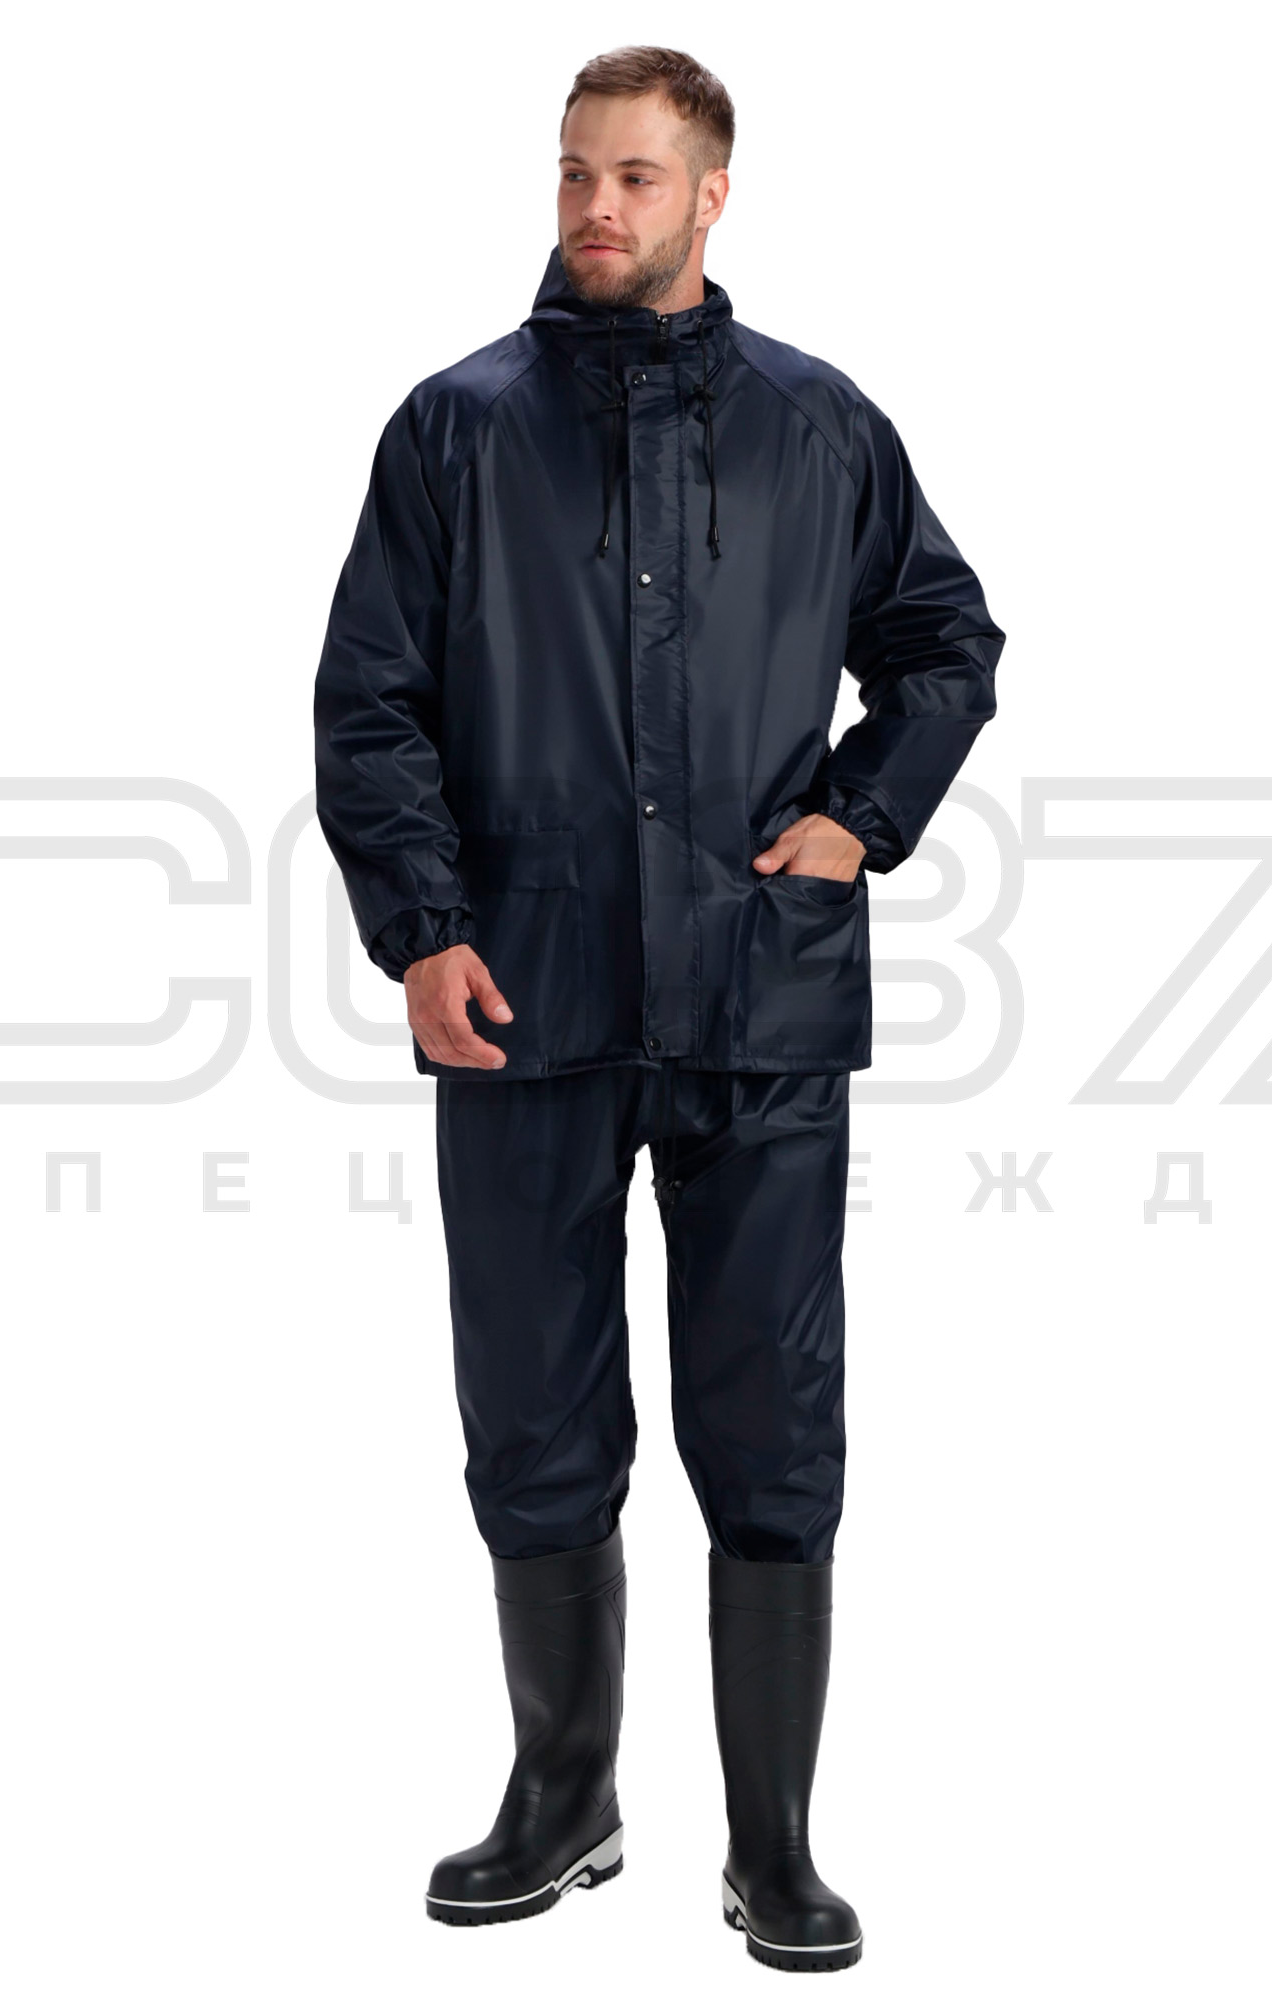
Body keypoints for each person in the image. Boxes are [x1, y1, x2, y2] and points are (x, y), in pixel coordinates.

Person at [313, 44, 1004, 1974]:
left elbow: (945, 642)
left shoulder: (819, 428)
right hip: (519, 994)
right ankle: (565, 1793)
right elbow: (372, 699)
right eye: (572, 172)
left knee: (773, 1421)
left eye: (633, 176)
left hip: (757, 996)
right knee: (533, 1412)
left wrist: (859, 818)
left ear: (712, 195)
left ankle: (773, 1844)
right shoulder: (456, 429)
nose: (594, 207)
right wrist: (421, 929)